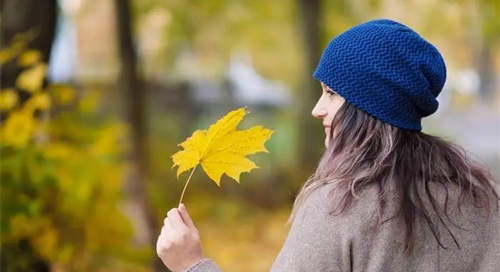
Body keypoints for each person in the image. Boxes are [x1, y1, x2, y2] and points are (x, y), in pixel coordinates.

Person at [156, 19, 500, 272]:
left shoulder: (339, 207)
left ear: (369, 105)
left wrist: (191, 265)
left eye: (331, 94)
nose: (317, 109)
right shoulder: (484, 198)